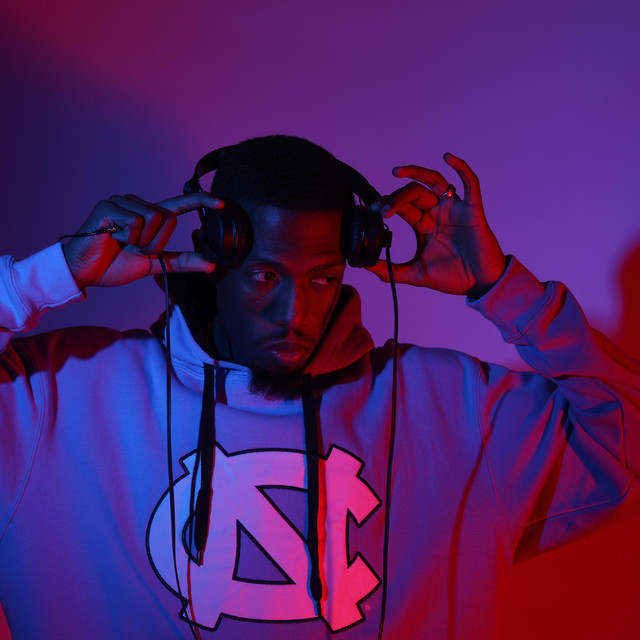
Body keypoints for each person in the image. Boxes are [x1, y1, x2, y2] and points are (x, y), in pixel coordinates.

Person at [0, 135, 639, 640]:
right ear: (214, 256)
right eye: (264, 277)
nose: (295, 314)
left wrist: (500, 288)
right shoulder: (58, 399)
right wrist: (44, 278)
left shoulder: (453, 407)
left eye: (323, 279)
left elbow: (626, 443)